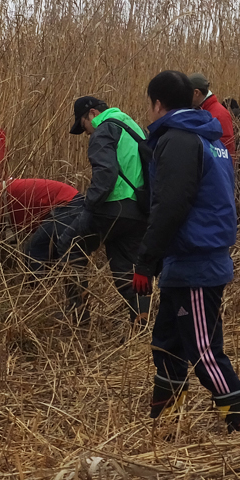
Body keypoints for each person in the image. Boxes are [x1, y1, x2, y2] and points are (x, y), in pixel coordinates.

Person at [132, 71, 240, 431]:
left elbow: (171, 204)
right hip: (186, 258)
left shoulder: (180, 139)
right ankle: (166, 408)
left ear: (157, 103)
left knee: (202, 349)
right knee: (166, 341)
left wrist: (145, 258)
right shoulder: (207, 138)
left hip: (196, 260)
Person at [61, 96, 150, 325]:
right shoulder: (132, 126)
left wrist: (89, 204)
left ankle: (79, 322)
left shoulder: (104, 129)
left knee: (69, 246)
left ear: (92, 114)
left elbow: (106, 174)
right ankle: (141, 324)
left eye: (83, 125)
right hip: (138, 211)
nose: (87, 132)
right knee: (125, 270)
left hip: (112, 208)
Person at [189, 73, 236, 158]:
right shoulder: (198, 110)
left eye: (188, 93)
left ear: (196, 93)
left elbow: (227, 149)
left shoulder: (220, 114)